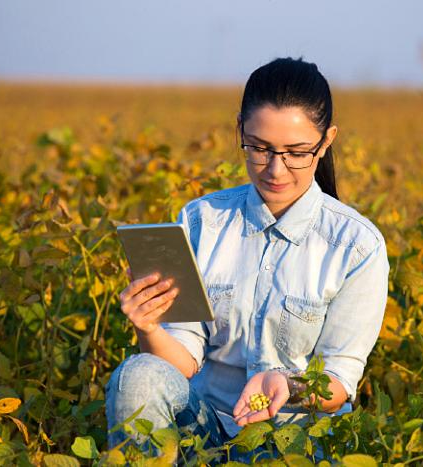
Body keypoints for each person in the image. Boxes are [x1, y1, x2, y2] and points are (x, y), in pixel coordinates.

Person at [105, 57, 390, 462]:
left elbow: (339, 383)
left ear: (326, 142)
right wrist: (149, 326)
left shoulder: (356, 246)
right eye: (259, 148)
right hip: (204, 429)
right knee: (136, 374)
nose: (275, 169)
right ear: (239, 129)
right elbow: (181, 363)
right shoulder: (202, 220)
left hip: (294, 445)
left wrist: (285, 386)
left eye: (296, 152)